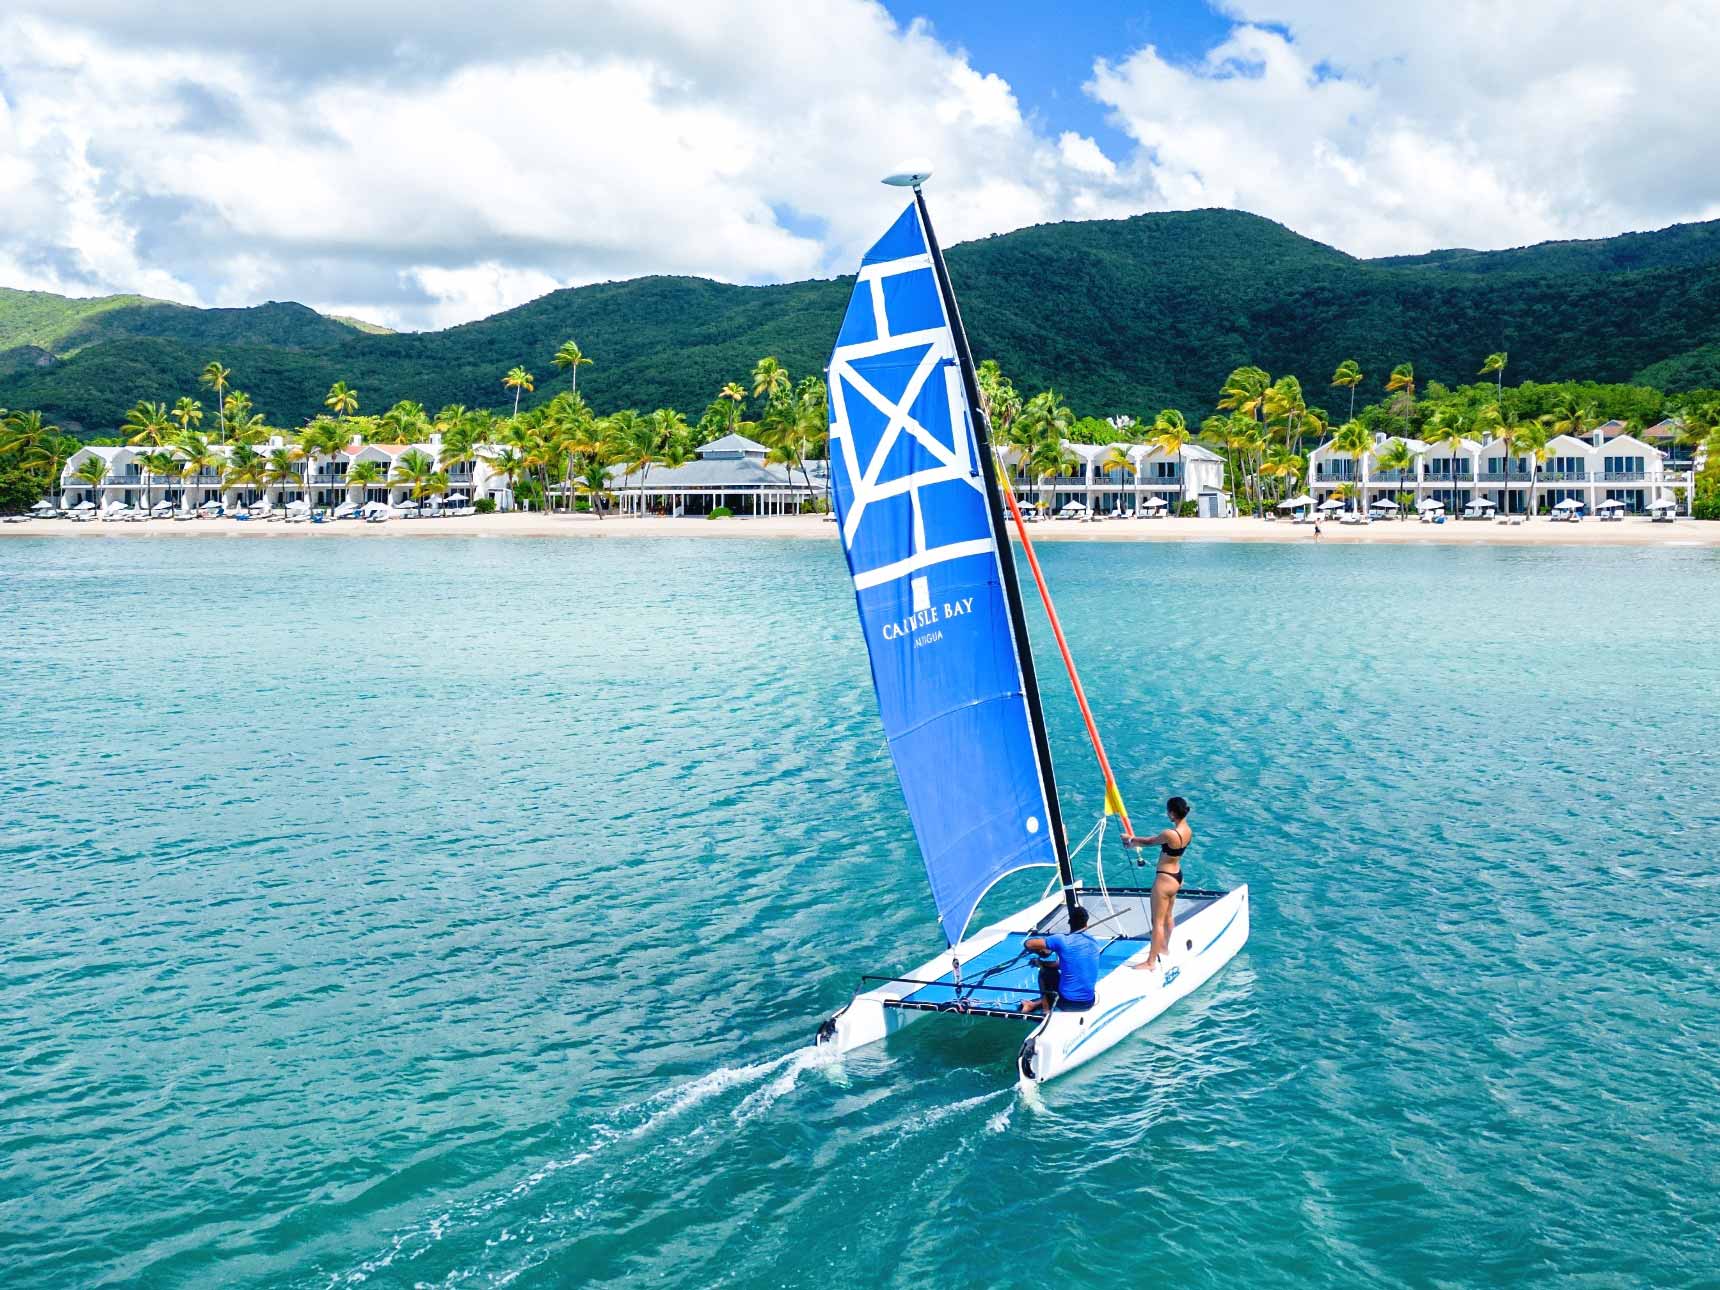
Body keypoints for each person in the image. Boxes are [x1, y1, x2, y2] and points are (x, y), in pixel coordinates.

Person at [1125, 796, 1193, 971]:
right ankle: (1163, 947)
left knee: (1157, 923)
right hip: (1177, 875)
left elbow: (1149, 842)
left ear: (1172, 813)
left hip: (1164, 879)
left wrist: (1131, 840)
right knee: (1169, 916)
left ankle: (1150, 962)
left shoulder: (1170, 834)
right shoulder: (1188, 831)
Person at [1018, 905, 1099, 1015]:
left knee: (1045, 973)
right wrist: (1042, 963)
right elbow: (1066, 964)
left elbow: (1028, 944)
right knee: (1066, 975)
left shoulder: (1061, 940)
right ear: (1086, 923)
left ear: (1069, 922)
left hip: (1067, 1004)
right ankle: (1034, 1004)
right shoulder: (1094, 942)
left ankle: (1046, 1011)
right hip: (1089, 1002)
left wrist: (1044, 952)